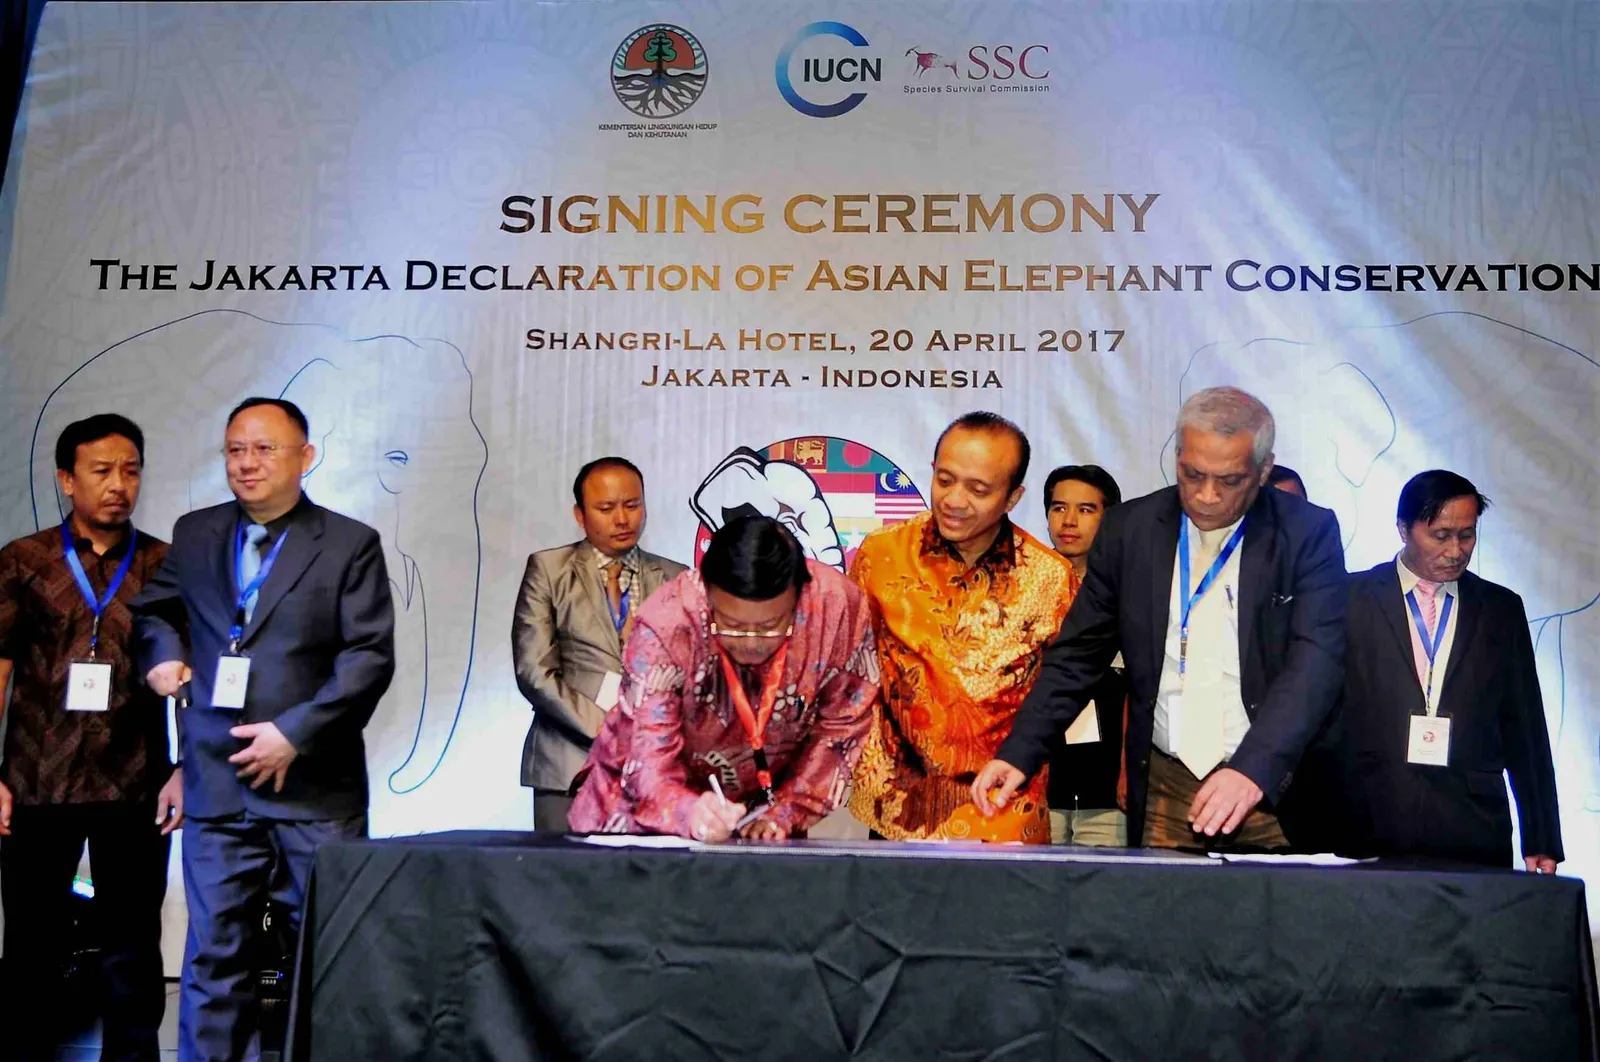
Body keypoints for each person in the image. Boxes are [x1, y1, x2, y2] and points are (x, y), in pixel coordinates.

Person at [132, 397, 395, 1060]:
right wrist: (163, 655)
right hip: (217, 779)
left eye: (264, 449)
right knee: (215, 953)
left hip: (314, 788)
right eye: (235, 450)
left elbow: (368, 656)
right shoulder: (196, 533)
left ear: (306, 457)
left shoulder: (349, 543)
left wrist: (295, 733)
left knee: (328, 952)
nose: (246, 463)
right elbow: (155, 611)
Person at [974, 387, 1347, 851]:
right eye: (1192, 474)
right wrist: (1020, 750)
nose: (1207, 496)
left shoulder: (1307, 532)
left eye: (1229, 480)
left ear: (1264, 469)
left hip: (1271, 785)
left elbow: (1316, 665)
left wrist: (1253, 769)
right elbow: (1078, 654)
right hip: (1166, 787)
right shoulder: (1130, 529)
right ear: (1178, 456)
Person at [0, 415, 180, 1062]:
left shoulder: (164, 564)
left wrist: (185, 769)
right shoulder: (23, 561)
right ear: (66, 479)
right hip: (35, 781)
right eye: (101, 471)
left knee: (132, 952)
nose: (118, 485)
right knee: (30, 946)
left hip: (134, 781)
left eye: (130, 470)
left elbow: (188, 672)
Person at [568, 515, 878, 841]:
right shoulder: (668, 623)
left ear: (799, 597)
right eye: (732, 625)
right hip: (644, 819)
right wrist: (689, 812)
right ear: (707, 592)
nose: (751, 643)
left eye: (770, 626)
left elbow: (842, 726)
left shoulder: (836, 608)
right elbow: (648, 758)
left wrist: (786, 812)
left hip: (760, 814)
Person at [849, 413, 1074, 843]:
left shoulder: (1050, 577)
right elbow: (850, 668)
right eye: (945, 480)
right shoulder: (881, 556)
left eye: (978, 489)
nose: (954, 500)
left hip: (1002, 808)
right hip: (898, 809)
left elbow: (1064, 688)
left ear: (1012, 497)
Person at [1335, 470, 1562, 870]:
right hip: (1370, 818)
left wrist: (1542, 836)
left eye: (1467, 535)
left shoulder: (1500, 609)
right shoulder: (1348, 599)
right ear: (1403, 529)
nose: (1456, 550)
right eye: (1440, 536)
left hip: (1473, 823)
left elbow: (1525, 727)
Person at [513, 457, 686, 831]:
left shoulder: (676, 577)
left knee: (647, 869)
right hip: (568, 762)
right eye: (606, 509)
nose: (622, 519)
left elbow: (688, 673)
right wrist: (608, 731)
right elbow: (534, 671)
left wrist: (651, 738)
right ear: (580, 515)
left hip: (653, 768)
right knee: (559, 868)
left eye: (632, 505)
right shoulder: (549, 569)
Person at [1041, 464, 1128, 846]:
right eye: (1059, 508)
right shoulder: (1022, 590)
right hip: (1035, 782)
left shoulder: (1132, 592)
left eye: (1086, 509)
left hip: (1107, 787)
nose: (1069, 521)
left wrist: (1129, 770)